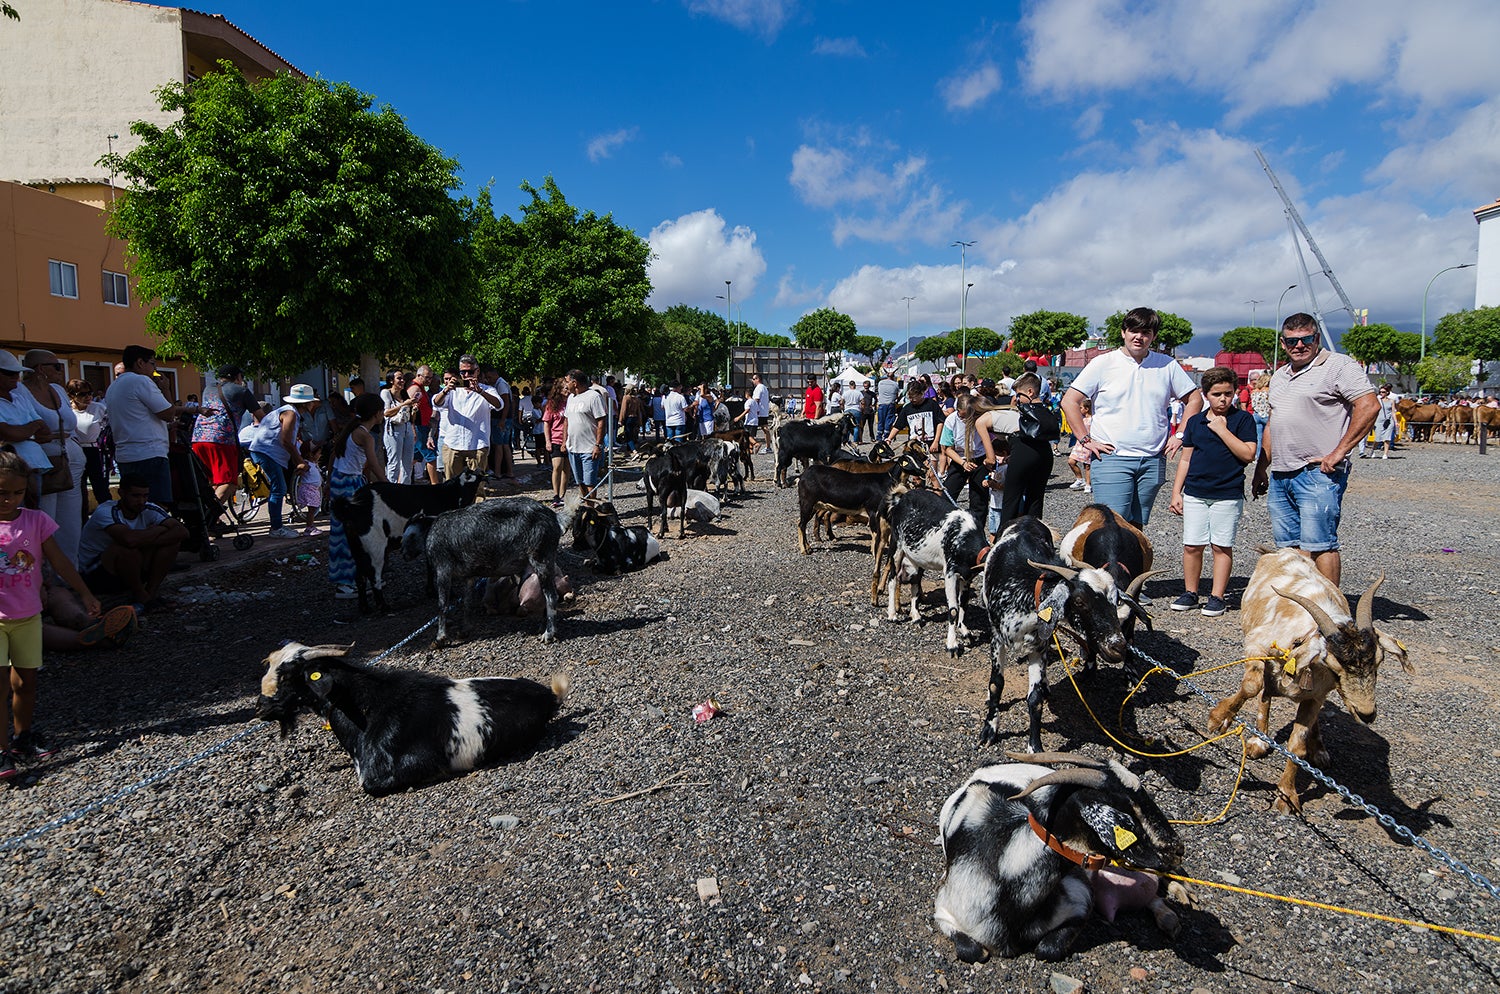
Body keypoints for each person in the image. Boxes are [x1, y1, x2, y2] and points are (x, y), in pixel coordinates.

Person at [1252, 314, 1379, 585]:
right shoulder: (1279, 376)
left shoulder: (1338, 365)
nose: (1299, 345)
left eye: (1306, 339)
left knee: (1321, 544)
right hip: (1281, 473)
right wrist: (1261, 467)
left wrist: (1340, 451)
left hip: (1317, 472)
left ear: (1317, 338)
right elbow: (1274, 423)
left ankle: (1330, 614)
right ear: (1283, 343)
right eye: (1292, 341)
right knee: (1289, 548)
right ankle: (1301, 606)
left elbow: (1369, 405)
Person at [0, 446, 102, 778]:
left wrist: (85, 592)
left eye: (17, 492)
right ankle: (2, 753)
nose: (10, 499)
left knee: (25, 682)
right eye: (2, 493)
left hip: (28, 617)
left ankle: (22, 737)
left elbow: (59, 562)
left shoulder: (36, 521)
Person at [1061, 307, 1202, 528]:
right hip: (1112, 458)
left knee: (1137, 526)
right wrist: (1085, 440)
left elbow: (1195, 399)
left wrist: (1180, 435)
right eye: (1134, 331)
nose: (1139, 337)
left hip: (1152, 459)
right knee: (1112, 526)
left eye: (1146, 333)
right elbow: (1070, 401)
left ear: (1154, 336)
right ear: (1123, 332)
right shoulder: (1103, 363)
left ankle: (1133, 564)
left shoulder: (1167, 365)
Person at [1167, 367, 1257, 617]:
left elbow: (1248, 454)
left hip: (1227, 493)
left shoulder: (1243, 420)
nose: (1223, 399)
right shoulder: (1196, 422)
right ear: (1206, 394)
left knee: (1221, 545)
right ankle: (1191, 592)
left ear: (1235, 393)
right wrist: (1177, 492)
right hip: (1196, 492)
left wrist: (1221, 429)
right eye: (1217, 394)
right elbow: (1186, 459)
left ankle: (1217, 596)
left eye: (1228, 393)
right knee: (1192, 545)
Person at [77, 473, 188, 612]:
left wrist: (146, 539)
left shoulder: (149, 508)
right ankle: (142, 596)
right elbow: (129, 540)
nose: (141, 501)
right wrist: (158, 529)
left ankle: (149, 594)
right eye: (135, 496)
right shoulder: (106, 511)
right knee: (125, 549)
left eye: (145, 496)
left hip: (129, 568)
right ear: (121, 493)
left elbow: (182, 532)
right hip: (95, 573)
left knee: (171, 543)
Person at [102, 346, 190, 505]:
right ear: (140, 363)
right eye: (152, 364)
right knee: (156, 506)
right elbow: (168, 413)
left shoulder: (113, 386)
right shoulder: (140, 381)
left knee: (134, 507)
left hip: (126, 455)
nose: (154, 369)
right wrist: (165, 389)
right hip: (148, 454)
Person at [22, 350, 84, 566]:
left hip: (71, 461)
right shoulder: (22, 392)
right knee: (47, 520)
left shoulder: (57, 389)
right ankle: (46, 575)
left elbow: (70, 425)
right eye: (56, 366)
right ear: (41, 369)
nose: (61, 370)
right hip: (46, 464)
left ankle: (70, 572)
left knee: (70, 522)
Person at [327, 393, 387, 600]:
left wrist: (328, 483)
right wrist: (388, 486)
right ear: (377, 413)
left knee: (343, 532)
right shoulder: (365, 435)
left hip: (339, 480)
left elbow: (334, 457)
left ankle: (353, 578)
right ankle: (346, 583)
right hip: (350, 483)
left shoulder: (352, 429)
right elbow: (374, 464)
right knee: (352, 534)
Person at [976, 373, 1053, 527]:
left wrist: (989, 459)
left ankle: (1004, 537)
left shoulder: (1008, 413)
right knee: (1036, 497)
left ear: (1030, 392)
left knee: (1012, 497)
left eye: (1019, 394)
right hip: (1045, 452)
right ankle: (1034, 535)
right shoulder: (1046, 410)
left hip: (1023, 448)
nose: (1016, 399)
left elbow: (981, 426)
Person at [249, 383, 318, 539]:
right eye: (312, 401)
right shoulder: (290, 414)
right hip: (266, 452)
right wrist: (299, 460)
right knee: (279, 488)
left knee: (279, 487)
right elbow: (286, 441)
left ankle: (277, 525)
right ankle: (276, 528)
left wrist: (299, 459)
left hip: (267, 452)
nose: (314, 403)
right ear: (306, 403)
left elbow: (291, 441)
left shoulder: (289, 412)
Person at [432, 355, 504, 480]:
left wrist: (480, 391)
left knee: (477, 487)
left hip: (477, 444)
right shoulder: (453, 391)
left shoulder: (487, 389)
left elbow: (499, 405)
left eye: (470, 371)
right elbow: (436, 403)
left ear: (477, 371)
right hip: (453, 443)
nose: (466, 375)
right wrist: (446, 390)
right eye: (463, 372)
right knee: (451, 485)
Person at [189, 374, 241, 526]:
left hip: (198, 438)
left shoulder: (208, 388)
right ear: (238, 378)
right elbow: (260, 415)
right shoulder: (240, 390)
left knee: (212, 482)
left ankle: (213, 520)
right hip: (221, 439)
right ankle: (208, 519)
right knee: (229, 481)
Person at [68, 379, 111, 507]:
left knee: (100, 487)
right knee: (78, 490)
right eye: (82, 394)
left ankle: (109, 515)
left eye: (90, 393)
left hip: (94, 451)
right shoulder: (67, 411)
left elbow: (108, 427)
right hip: (75, 451)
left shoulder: (99, 408)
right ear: (72, 395)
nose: (88, 397)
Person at [564, 369, 608, 492]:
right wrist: (564, 442)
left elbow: (601, 421)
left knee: (590, 483)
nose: (565, 385)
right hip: (573, 448)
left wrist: (598, 445)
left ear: (574, 382)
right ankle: (586, 508)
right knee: (580, 483)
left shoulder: (593, 397)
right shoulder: (571, 398)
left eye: (567, 382)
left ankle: (591, 509)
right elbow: (566, 420)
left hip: (589, 448)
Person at [380, 369, 417, 485]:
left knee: (408, 463)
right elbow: (386, 413)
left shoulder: (404, 394)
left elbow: (410, 418)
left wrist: (414, 410)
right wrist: (404, 404)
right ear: (391, 380)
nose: (402, 381)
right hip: (393, 430)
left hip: (406, 429)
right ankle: (391, 489)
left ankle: (405, 489)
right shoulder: (386, 393)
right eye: (399, 378)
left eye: (403, 378)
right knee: (394, 463)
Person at [410, 365, 441, 485]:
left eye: (430, 378)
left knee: (414, 457)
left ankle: (403, 481)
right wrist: (412, 428)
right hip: (419, 427)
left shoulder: (421, 388)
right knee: (431, 457)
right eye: (427, 378)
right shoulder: (415, 389)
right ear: (418, 376)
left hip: (424, 425)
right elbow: (410, 410)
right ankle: (435, 486)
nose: (429, 381)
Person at [542, 378, 570, 506]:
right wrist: (547, 441)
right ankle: (555, 494)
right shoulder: (551, 404)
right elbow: (546, 424)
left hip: (570, 439)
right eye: (565, 388)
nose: (567, 390)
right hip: (556, 438)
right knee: (557, 466)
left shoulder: (571, 402)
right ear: (559, 390)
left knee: (566, 468)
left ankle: (562, 494)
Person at [294, 439, 324, 536]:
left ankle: (310, 526)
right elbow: (300, 470)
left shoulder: (313, 464)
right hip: (309, 489)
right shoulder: (307, 464)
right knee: (312, 510)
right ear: (311, 454)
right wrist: (300, 470)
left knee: (313, 509)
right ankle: (309, 528)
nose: (320, 455)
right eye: (318, 453)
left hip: (313, 489)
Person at [1359, 385, 1397, 460]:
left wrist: (1395, 421)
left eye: (1383, 392)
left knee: (1387, 438)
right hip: (1379, 421)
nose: (1381, 393)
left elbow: (1393, 412)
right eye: (1380, 392)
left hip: (1389, 421)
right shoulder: (1377, 401)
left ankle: (1385, 454)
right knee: (1378, 438)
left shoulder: (1392, 401)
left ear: (1387, 392)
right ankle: (1373, 450)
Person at [875, 375, 903, 441]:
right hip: (891, 404)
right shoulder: (895, 384)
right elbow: (896, 395)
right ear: (893, 377)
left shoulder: (880, 383)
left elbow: (879, 392)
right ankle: (886, 436)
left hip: (882, 404)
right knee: (889, 420)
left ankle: (879, 436)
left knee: (881, 421)